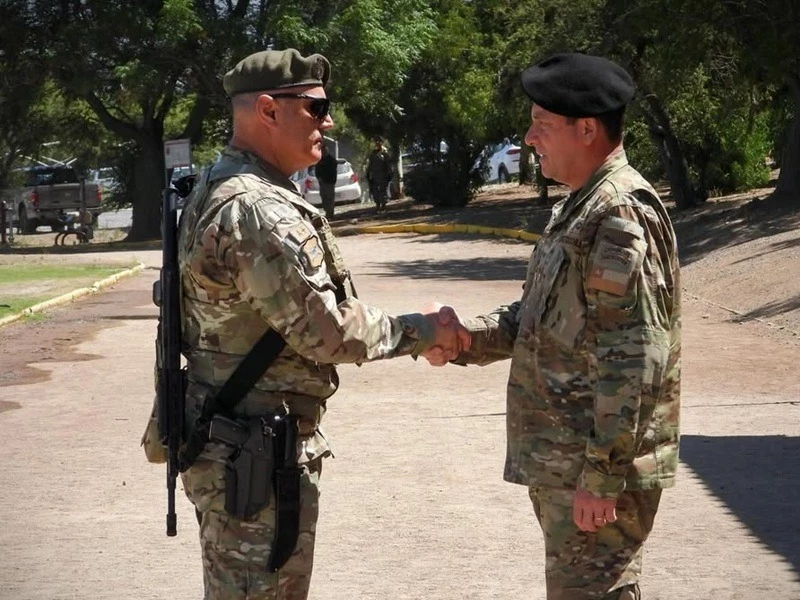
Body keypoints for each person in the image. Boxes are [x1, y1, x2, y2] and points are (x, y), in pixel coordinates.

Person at [174, 48, 469, 600]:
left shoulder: (226, 184)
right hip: (252, 454)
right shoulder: (254, 208)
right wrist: (425, 331)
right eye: (316, 108)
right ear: (268, 110)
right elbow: (326, 333)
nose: (328, 122)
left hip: (242, 442)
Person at [424, 53, 681, 600]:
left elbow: (635, 357)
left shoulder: (619, 214)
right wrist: (463, 336)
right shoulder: (581, 207)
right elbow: (535, 320)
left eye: (541, 123)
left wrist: (603, 475)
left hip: (592, 469)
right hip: (567, 463)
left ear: (586, 129)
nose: (529, 137)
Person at [365, 137, 393, 211]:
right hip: (375, 175)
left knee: (383, 190)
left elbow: (388, 164)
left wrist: (389, 173)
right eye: (376, 141)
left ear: (382, 143)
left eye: (379, 141)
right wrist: (368, 173)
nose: (377, 143)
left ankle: (383, 205)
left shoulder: (385, 152)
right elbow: (370, 164)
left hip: (383, 175)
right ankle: (377, 204)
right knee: (375, 191)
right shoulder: (373, 153)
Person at [314, 144, 338, 219]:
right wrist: (319, 177)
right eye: (323, 151)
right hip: (322, 183)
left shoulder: (331, 160)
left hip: (330, 182)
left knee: (330, 198)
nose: (324, 152)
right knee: (324, 197)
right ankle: (327, 211)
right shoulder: (320, 160)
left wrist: (332, 180)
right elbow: (317, 170)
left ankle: (330, 213)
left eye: (325, 150)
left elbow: (333, 171)